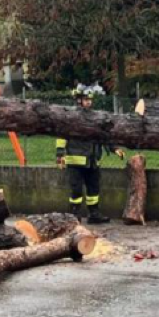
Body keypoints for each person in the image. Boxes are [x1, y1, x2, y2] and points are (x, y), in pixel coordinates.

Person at [54, 85, 123, 224]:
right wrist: (60, 155)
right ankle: (74, 216)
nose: (89, 102)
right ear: (79, 100)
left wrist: (114, 148)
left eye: (90, 100)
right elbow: (62, 136)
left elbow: (103, 135)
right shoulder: (71, 118)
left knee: (94, 189)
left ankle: (94, 214)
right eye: (86, 99)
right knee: (76, 190)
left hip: (92, 161)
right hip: (75, 161)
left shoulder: (95, 117)